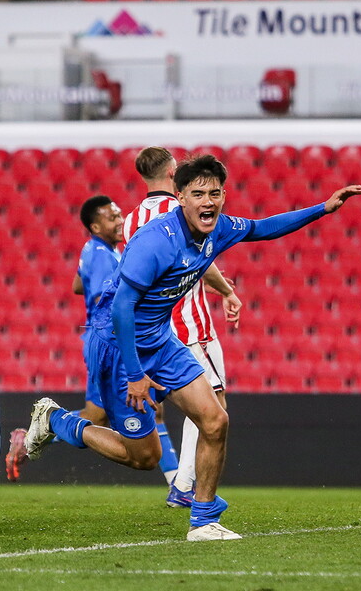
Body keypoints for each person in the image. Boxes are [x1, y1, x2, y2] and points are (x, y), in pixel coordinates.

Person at [23, 154, 361, 541]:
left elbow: (264, 228)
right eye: (198, 193)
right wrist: (136, 376)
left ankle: (203, 522)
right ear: (180, 197)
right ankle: (56, 420)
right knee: (144, 459)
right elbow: (121, 308)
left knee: (216, 420)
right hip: (118, 347)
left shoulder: (218, 229)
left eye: (215, 193)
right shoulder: (155, 241)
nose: (208, 201)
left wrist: (323, 208)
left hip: (159, 337)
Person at [123, 146, 239, 509]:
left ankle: (59, 428)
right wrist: (227, 290)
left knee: (194, 409)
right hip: (188, 325)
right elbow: (199, 260)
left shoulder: (130, 219)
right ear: (174, 174)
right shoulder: (179, 212)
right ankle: (185, 482)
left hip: (150, 329)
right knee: (213, 406)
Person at [5, 195, 131, 481]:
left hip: (100, 339)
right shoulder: (101, 254)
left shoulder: (96, 250)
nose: (120, 220)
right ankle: (39, 430)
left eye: (119, 214)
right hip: (108, 342)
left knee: (101, 415)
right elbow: (105, 301)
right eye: (112, 217)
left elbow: (78, 285)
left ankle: (34, 434)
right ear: (95, 226)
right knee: (97, 416)